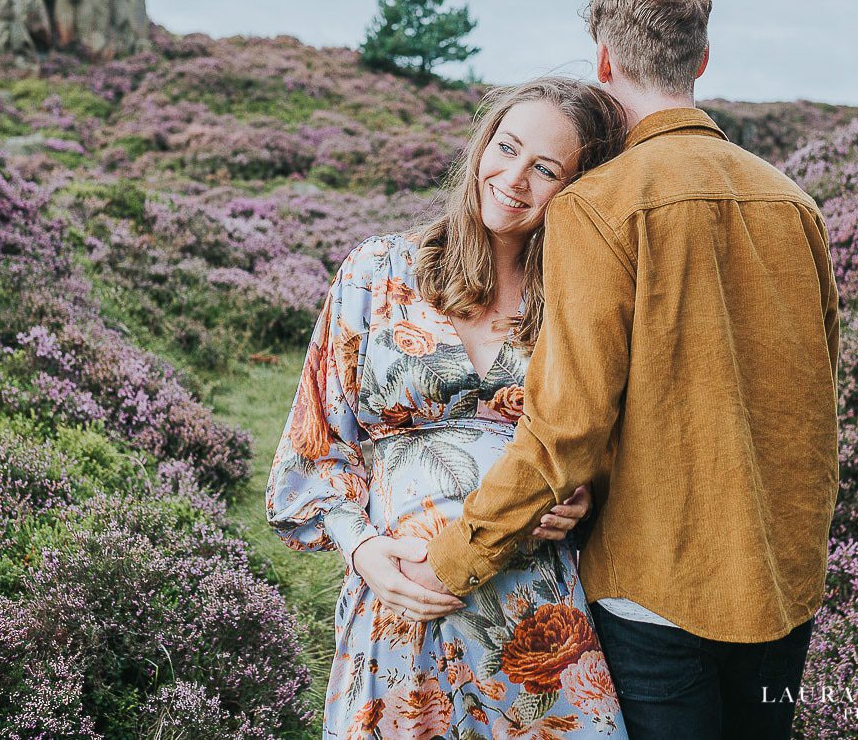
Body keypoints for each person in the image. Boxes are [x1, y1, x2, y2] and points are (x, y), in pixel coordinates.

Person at [413, 0, 842, 740]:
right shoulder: (793, 202)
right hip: (783, 579)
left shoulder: (596, 207)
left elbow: (564, 429)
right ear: (701, 63)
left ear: (604, 63)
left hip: (655, 583)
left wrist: (451, 561)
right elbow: (819, 391)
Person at [267, 77, 633, 739]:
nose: (514, 178)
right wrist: (365, 551)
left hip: (535, 621)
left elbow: (616, 443)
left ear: (577, 189)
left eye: (545, 168)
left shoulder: (579, 307)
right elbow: (314, 446)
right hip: (402, 607)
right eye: (507, 147)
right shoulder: (377, 272)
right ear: (481, 145)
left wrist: (587, 490)